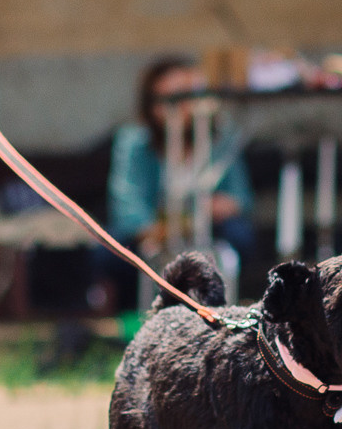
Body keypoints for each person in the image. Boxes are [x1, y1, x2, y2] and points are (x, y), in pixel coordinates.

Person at [91, 57, 255, 310]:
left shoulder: (219, 140)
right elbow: (128, 205)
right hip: (153, 231)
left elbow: (240, 197)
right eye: (165, 100)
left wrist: (218, 207)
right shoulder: (135, 143)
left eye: (184, 97)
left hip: (208, 229)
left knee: (239, 235)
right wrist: (158, 229)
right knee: (110, 249)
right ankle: (135, 314)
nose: (176, 108)